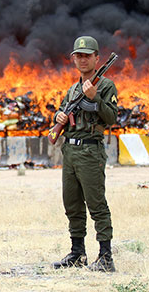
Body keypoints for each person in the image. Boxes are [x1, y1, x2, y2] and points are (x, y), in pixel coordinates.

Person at [52, 36, 118, 272]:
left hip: (90, 150)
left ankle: (105, 257)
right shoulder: (72, 90)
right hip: (69, 150)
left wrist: (94, 98)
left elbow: (112, 118)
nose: (82, 59)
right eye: (78, 56)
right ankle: (77, 253)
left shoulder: (106, 85)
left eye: (87, 55)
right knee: (72, 204)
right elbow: (61, 112)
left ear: (97, 59)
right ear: (74, 60)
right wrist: (58, 118)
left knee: (96, 204)